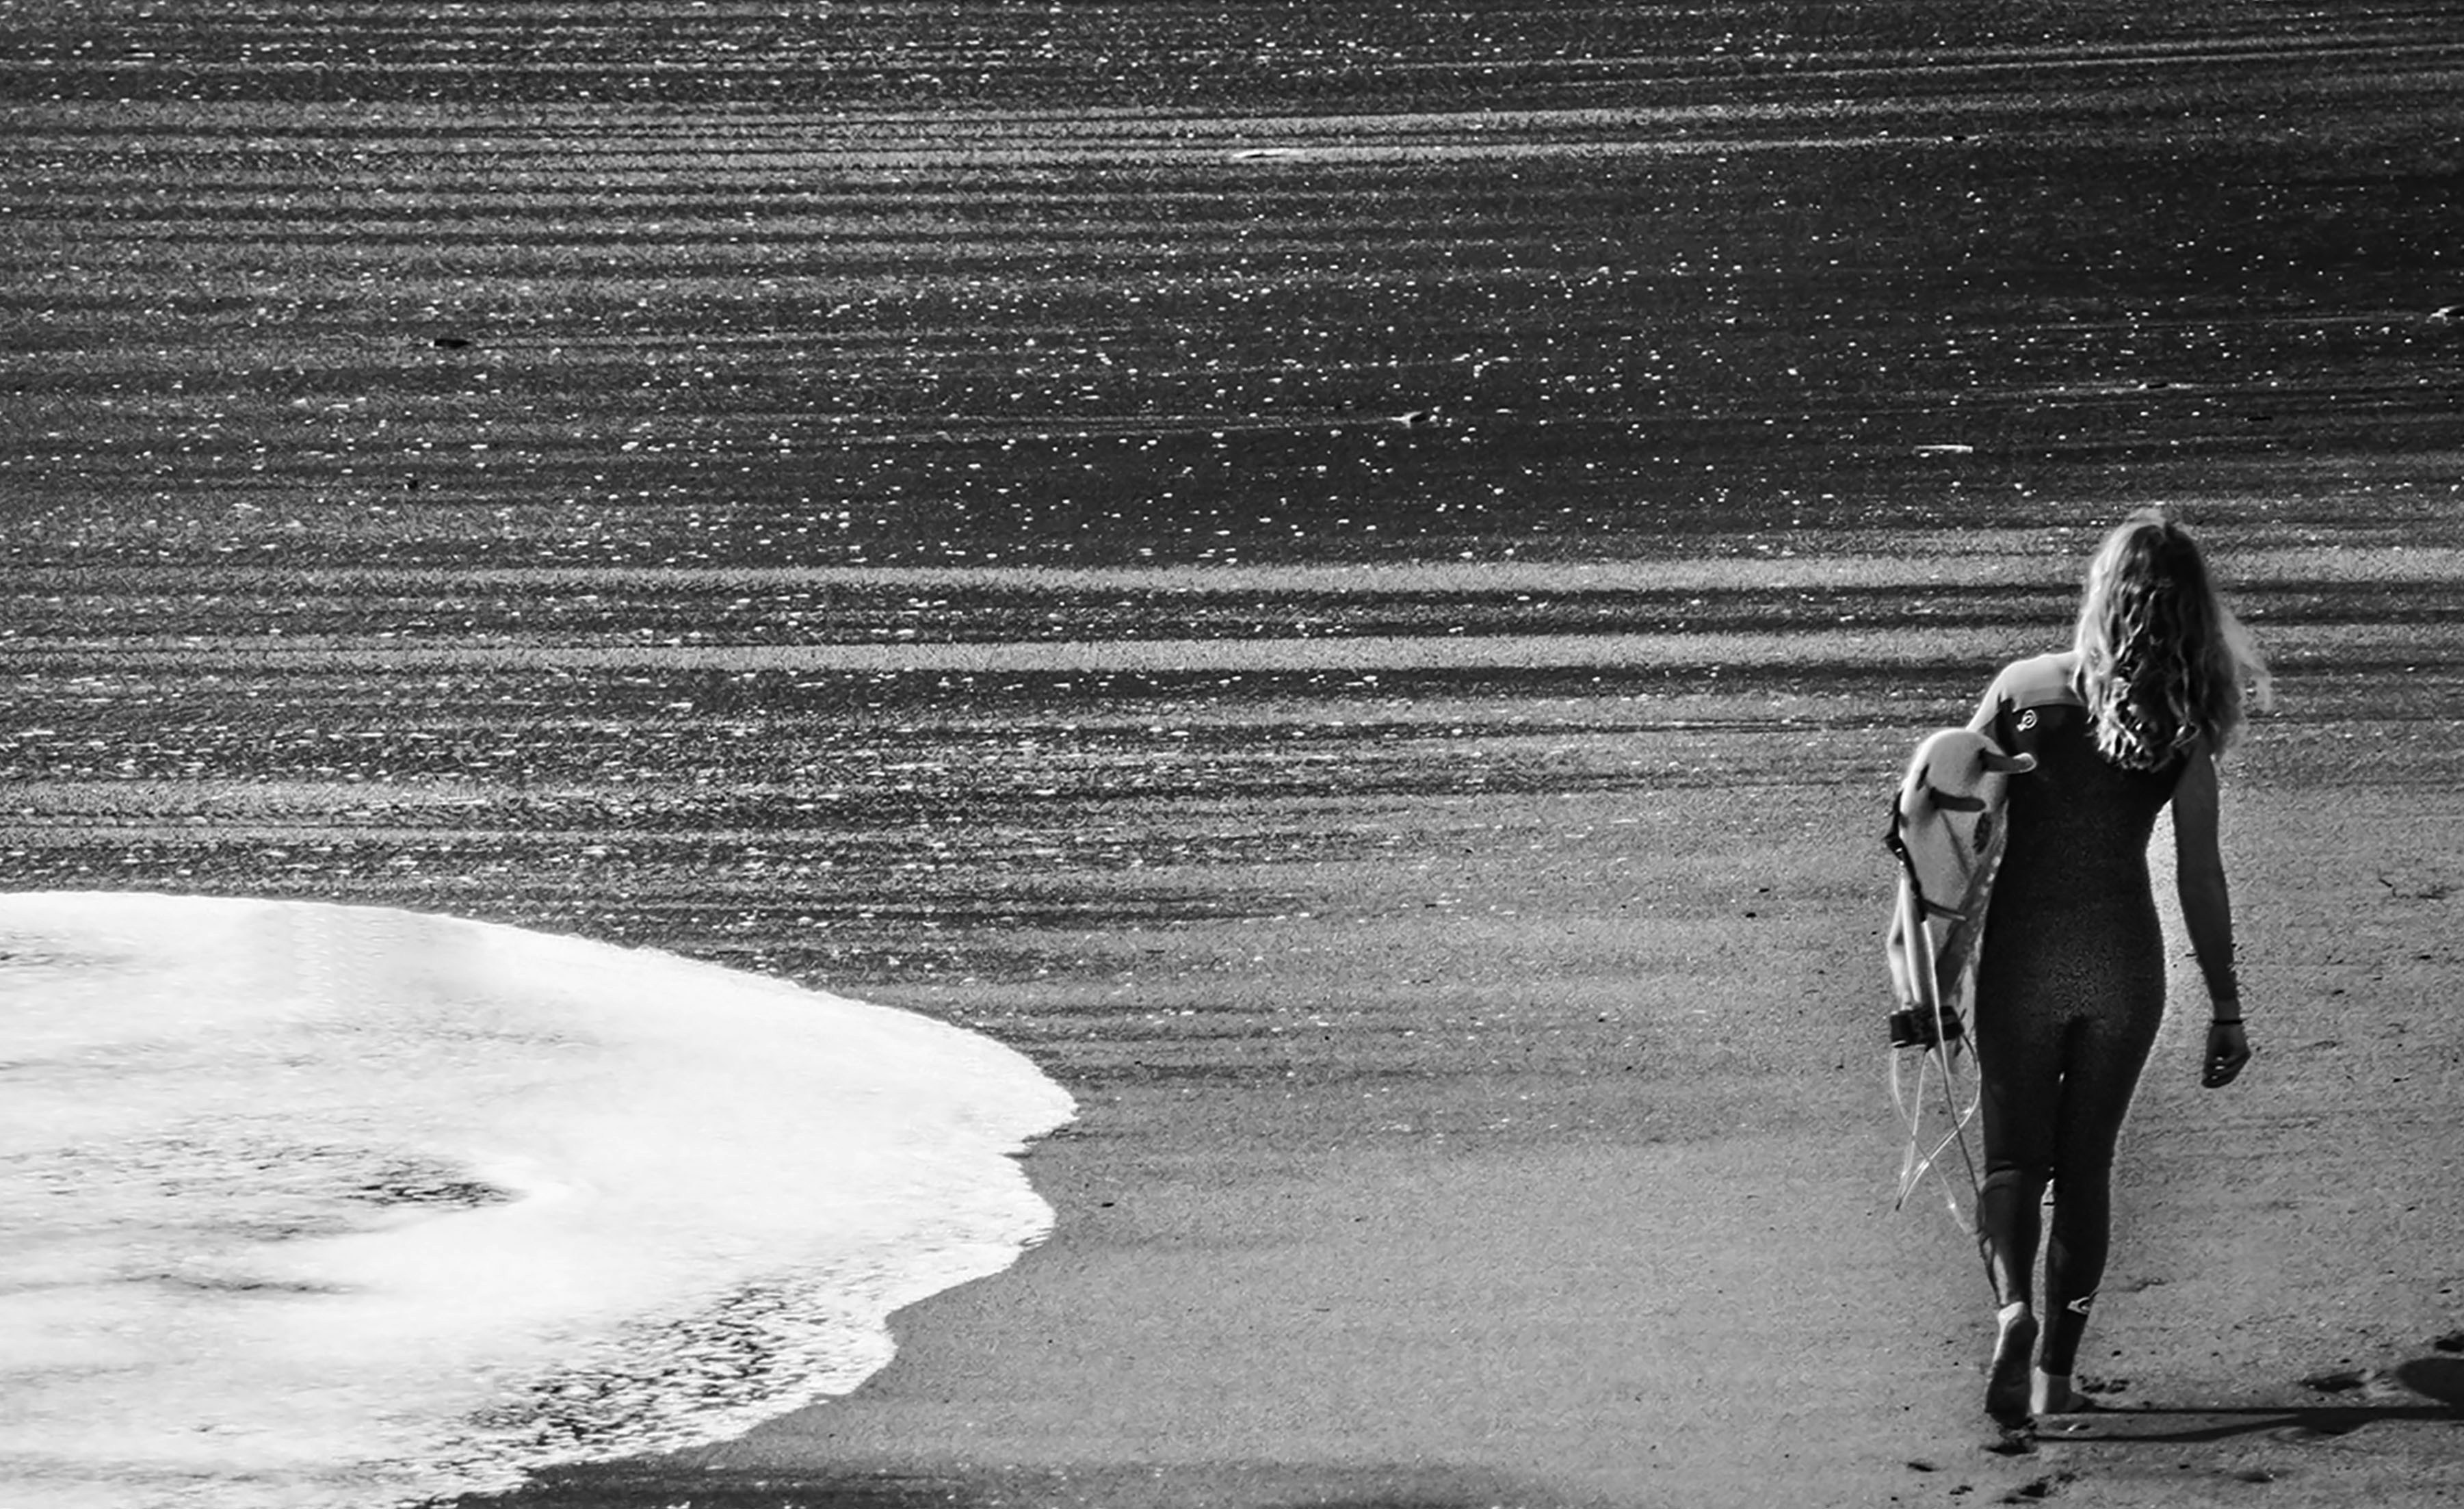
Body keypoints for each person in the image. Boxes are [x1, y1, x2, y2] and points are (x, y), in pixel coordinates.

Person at [1964, 509, 2270, 1425]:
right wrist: (2225, 1007)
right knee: (2086, 1164)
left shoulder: (2023, 690)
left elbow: (1959, 844)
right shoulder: (2184, 726)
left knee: (2016, 1156)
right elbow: (2200, 874)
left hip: (2021, 951)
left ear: (2101, 592)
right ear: (2189, 611)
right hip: (2123, 962)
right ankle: (2057, 1374)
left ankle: (2010, 1309)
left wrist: (1928, 975)